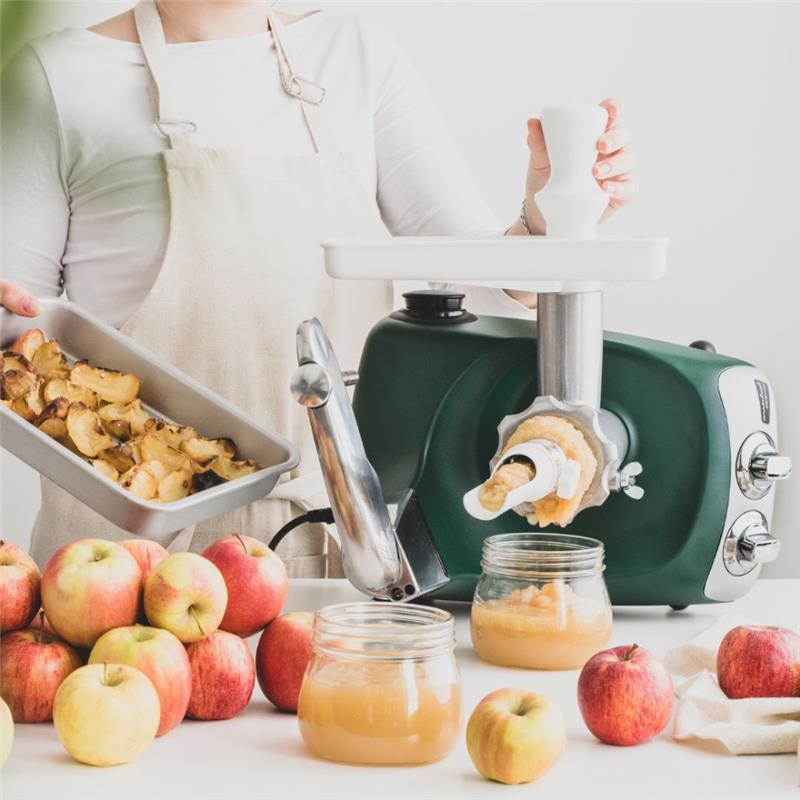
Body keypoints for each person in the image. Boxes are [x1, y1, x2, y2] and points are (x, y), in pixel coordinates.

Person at [1, 1, 637, 572]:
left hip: (332, 553)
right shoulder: (57, 77)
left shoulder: (356, 57)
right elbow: (18, 349)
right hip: (116, 572)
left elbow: (485, 289)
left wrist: (545, 219)